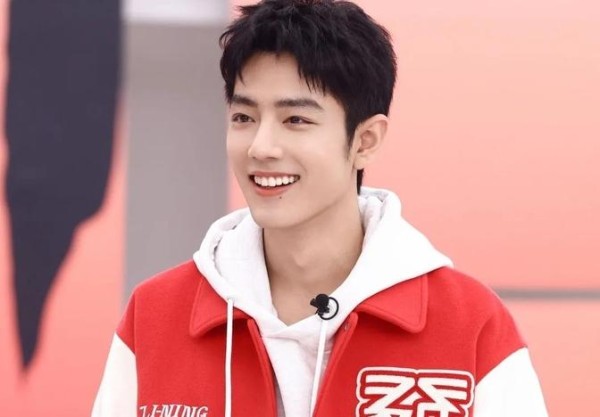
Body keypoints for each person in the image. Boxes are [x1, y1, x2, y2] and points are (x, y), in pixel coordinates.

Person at [92, 1, 548, 416]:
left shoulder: (472, 326)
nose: (261, 147)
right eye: (244, 117)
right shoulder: (155, 317)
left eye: (296, 120)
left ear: (365, 141)